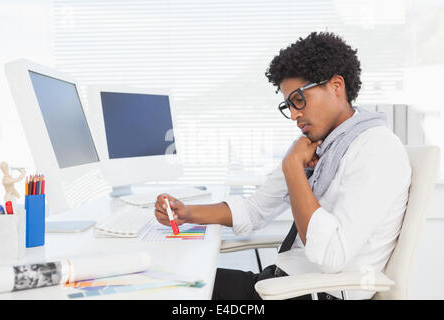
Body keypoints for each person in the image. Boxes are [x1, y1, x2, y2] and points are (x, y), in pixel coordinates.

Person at [154, 32, 411, 300]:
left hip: (312, 293)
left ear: (336, 86)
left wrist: (293, 170)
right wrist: (186, 213)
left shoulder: (376, 150)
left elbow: (331, 256)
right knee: (173, 284)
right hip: (278, 284)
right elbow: (255, 210)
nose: (294, 115)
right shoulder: (318, 146)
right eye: (288, 104)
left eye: (299, 99)